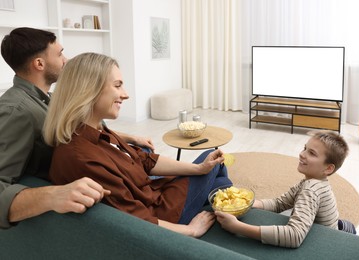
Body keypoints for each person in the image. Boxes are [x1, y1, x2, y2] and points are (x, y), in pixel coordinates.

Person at [43, 52, 232, 238]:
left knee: (215, 173)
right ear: (89, 90)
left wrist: (198, 168)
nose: (125, 95)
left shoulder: (96, 129)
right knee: (217, 168)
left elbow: (144, 160)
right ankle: (231, 202)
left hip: (155, 193)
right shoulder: (82, 158)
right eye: (117, 86)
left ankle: (227, 198)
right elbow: (135, 219)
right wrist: (191, 231)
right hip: (163, 214)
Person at [0, 27, 154, 229]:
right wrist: (53, 194)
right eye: (60, 53)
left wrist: (130, 138)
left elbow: (79, 130)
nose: (66, 59)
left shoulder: (50, 99)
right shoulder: (16, 111)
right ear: (39, 63)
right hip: (88, 179)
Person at [215, 131, 351, 248]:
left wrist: (237, 227)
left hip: (326, 240)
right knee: (289, 211)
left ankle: (344, 229)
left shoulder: (311, 189)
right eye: (305, 148)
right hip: (330, 226)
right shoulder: (311, 181)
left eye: (312, 153)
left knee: (289, 215)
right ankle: (343, 226)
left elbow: (295, 236)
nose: (302, 154)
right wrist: (246, 203)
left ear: (328, 168)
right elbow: (279, 203)